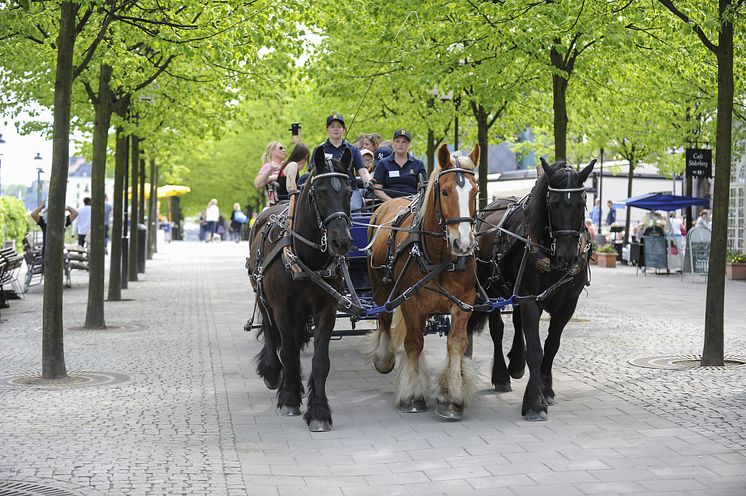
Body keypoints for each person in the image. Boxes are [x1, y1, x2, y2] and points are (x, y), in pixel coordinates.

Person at [372, 128, 427, 201]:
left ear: (409, 144)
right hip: (388, 203)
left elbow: (423, 189)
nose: (400, 144)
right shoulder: (383, 163)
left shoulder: (418, 164)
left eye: (404, 142)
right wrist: (391, 202)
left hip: (412, 204)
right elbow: (377, 189)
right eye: (397, 141)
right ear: (393, 143)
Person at [254, 141, 287, 205]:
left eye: (284, 148)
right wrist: (270, 169)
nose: (284, 150)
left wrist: (271, 178)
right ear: (272, 151)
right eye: (281, 148)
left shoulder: (287, 165)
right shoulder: (267, 166)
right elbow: (258, 184)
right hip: (277, 203)